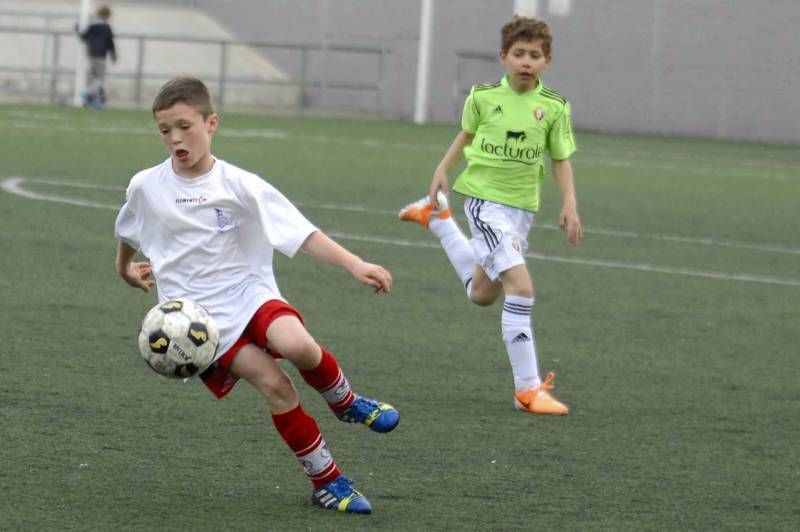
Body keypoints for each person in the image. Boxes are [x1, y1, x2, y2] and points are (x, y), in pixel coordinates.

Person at [114, 77, 399, 514]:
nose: (175, 139)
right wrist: (124, 269)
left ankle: (345, 401)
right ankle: (328, 482)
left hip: (249, 291)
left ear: (212, 123)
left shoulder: (240, 184)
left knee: (298, 345)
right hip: (201, 322)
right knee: (275, 385)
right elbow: (128, 230)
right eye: (165, 130)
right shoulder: (146, 186)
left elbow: (301, 233)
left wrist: (354, 263)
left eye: (185, 126)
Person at [399, 16, 582, 415]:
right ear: (503, 57)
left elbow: (561, 158)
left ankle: (438, 221)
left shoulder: (554, 107)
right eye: (519, 54)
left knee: (482, 294)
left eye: (535, 55)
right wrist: (441, 169)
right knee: (521, 287)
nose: (526, 61)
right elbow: (464, 135)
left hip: (522, 210)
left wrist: (568, 201)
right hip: (484, 203)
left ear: (547, 61)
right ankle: (528, 390)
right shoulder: (483, 97)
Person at [76, 5, 117, 109]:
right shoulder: (106, 27)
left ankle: (92, 101)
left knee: (92, 77)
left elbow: (84, 37)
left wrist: (77, 29)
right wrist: (114, 56)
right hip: (100, 55)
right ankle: (87, 93)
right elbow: (110, 43)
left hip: (91, 54)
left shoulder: (93, 25)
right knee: (99, 79)